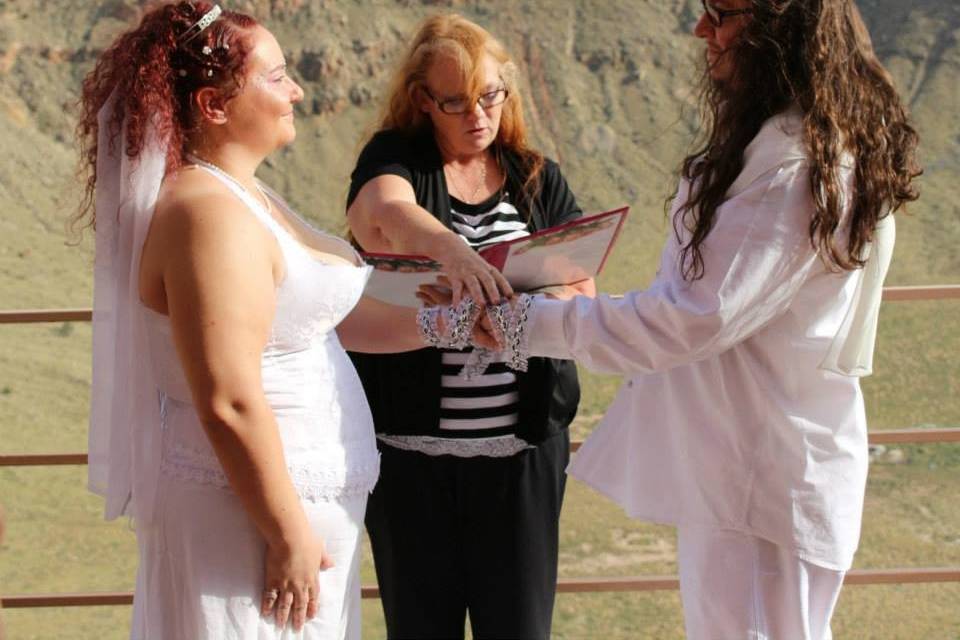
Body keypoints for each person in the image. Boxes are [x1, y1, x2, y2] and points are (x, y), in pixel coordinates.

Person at [468, 0, 921, 638]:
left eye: (722, 13)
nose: (701, 29)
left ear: (782, 26)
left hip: (761, 488)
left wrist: (527, 324)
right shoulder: (790, 145)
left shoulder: (794, 167)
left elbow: (688, 320)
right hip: (745, 472)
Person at [76, 3, 430, 638]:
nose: (296, 89)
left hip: (299, 511)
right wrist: (288, 533)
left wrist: (460, 325)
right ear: (213, 105)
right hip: (249, 522)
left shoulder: (243, 193)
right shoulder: (206, 215)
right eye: (276, 76)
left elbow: (328, 321)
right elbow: (229, 399)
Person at [345, 14, 594, 640]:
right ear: (423, 100)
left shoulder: (537, 177)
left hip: (521, 461)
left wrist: (520, 311)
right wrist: (454, 253)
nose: (476, 114)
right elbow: (383, 212)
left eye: (490, 95)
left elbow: (581, 281)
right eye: (455, 101)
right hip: (411, 465)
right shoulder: (394, 158)